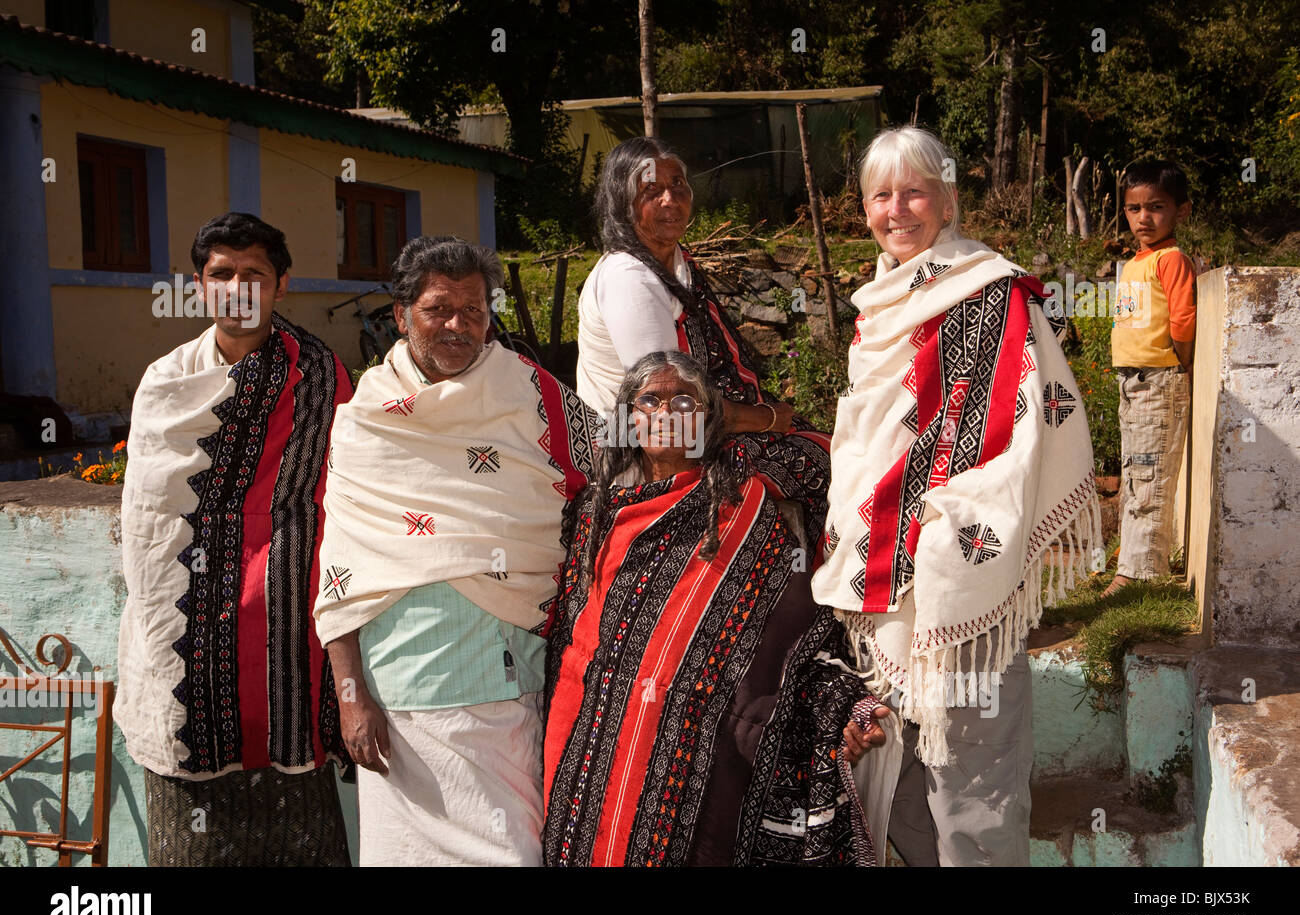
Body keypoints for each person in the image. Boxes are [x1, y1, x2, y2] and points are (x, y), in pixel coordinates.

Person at [810, 127, 1101, 866]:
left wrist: (941, 533)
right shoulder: (882, 302)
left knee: (974, 772)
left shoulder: (987, 293)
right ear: (863, 208)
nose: (898, 209)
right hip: (875, 569)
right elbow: (876, 434)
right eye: (882, 195)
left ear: (947, 199)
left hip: (956, 569)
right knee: (898, 771)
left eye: (915, 191)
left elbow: (1024, 427)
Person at [314, 235, 601, 866]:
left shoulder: (529, 391)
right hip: (396, 700)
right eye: (438, 309)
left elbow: (618, 468)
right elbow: (340, 565)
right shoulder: (365, 420)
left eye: (473, 312)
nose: (457, 326)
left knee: (513, 850)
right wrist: (349, 695)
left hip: (505, 683)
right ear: (401, 315)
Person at [542, 351, 889, 867]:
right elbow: (572, 634)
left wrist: (839, 712)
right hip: (585, 735)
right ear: (628, 419)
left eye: (685, 401)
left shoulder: (744, 512)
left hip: (692, 754)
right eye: (649, 401)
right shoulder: (595, 514)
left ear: (707, 420)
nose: (666, 412)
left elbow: (789, 636)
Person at [116, 212, 354, 866]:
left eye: (255, 274)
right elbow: (146, 526)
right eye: (222, 274)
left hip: (288, 657)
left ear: (282, 284)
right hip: (182, 646)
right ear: (200, 287)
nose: (239, 289)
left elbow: (350, 493)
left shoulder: (320, 377)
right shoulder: (167, 382)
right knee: (192, 844)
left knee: (301, 839)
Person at [576, 135, 832, 539]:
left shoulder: (673, 265)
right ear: (624, 206)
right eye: (651, 190)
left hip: (698, 428)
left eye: (678, 184)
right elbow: (669, 407)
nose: (669, 199)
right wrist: (766, 419)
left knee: (835, 449)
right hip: (649, 454)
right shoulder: (629, 279)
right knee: (826, 463)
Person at [1103, 160, 1196, 597]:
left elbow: (1182, 323)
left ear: (1182, 210)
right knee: (1135, 476)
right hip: (1133, 384)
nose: (1143, 218)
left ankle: (1141, 576)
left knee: (1149, 475)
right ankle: (1133, 565)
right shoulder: (1140, 261)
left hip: (1158, 382)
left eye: (1156, 207)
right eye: (1133, 208)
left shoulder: (1172, 260)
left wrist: (1182, 364)